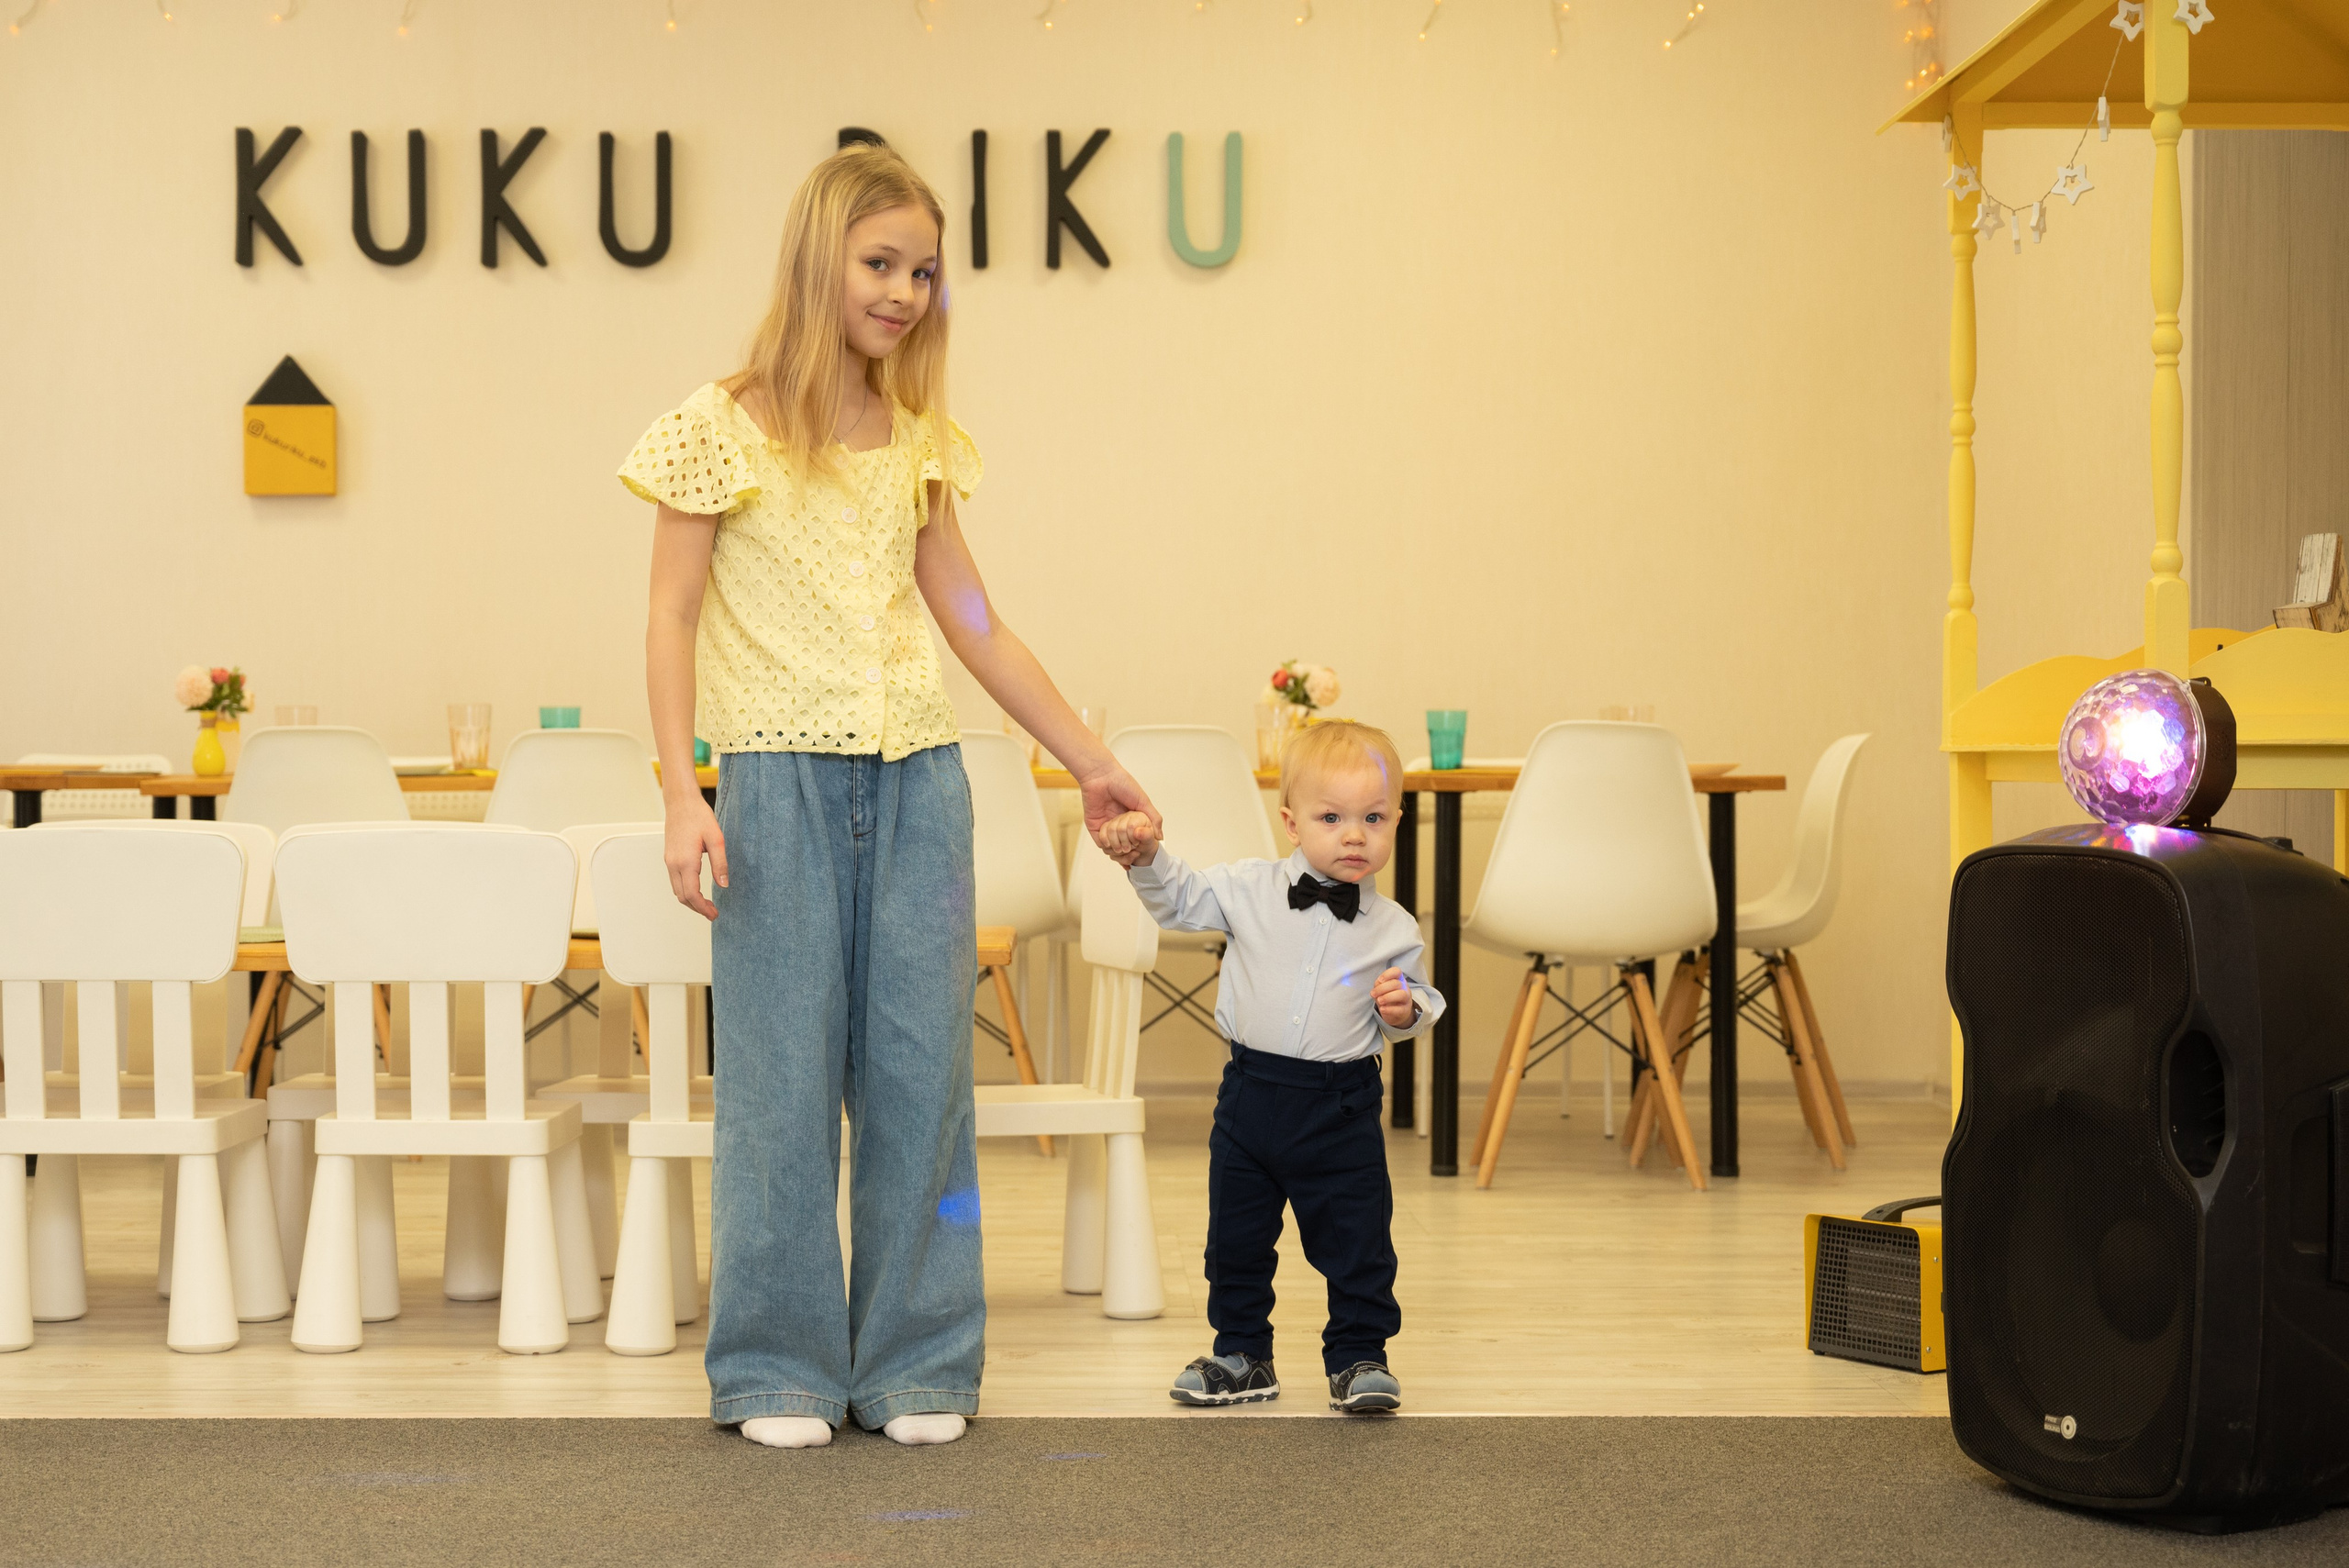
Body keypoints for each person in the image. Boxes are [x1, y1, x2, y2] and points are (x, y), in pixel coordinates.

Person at [624, 142, 1159, 1451]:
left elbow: (975, 621)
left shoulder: (918, 442)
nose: (907, 291)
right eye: (882, 264)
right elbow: (669, 614)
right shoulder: (714, 427)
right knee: (777, 1087)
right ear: (821, 259)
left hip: (921, 786)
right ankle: (777, 1369)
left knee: (925, 1085)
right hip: (772, 791)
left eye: (924, 270)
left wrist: (1090, 760)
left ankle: (921, 1361)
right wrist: (682, 791)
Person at [1097, 720, 1442, 1413]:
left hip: (1340, 1105)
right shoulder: (1249, 888)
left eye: (1374, 818)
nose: (1354, 834)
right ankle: (1243, 1352)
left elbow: (1418, 1002)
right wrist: (1147, 857)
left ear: (1397, 821)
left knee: (1357, 1239)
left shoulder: (1396, 927)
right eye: (1332, 817)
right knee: (1236, 1235)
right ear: (1290, 821)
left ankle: (1359, 1356)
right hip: (1250, 1095)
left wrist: (1402, 1010)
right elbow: (1180, 899)